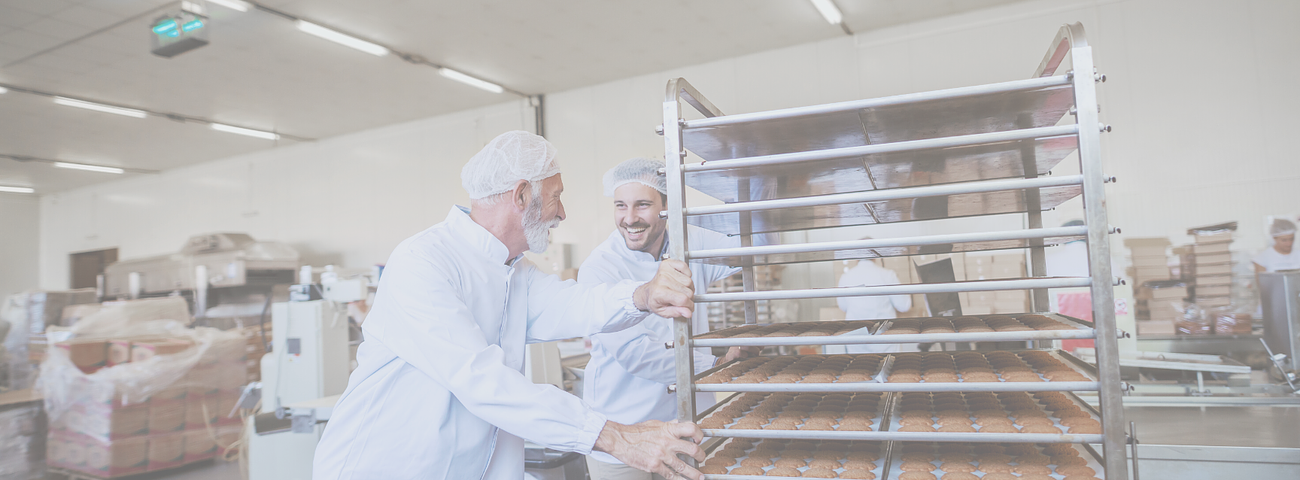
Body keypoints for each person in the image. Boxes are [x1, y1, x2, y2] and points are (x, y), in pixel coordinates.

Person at [313, 132, 706, 480]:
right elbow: (482, 380)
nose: (562, 213)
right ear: (521, 195)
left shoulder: (514, 271)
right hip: (387, 468)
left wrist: (643, 295)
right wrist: (616, 437)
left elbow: (573, 304)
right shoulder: (425, 261)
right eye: (557, 198)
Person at [578, 158, 757, 480]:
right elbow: (635, 352)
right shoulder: (600, 267)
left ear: (666, 206)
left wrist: (742, 183)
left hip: (688, 425)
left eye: (642, 205)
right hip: (623, 431)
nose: (629, 218)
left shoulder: (689, 243)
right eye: (621, 205)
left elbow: (750, 248)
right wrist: (716, 367)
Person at [833, 252, 911, 354]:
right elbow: (904, 306)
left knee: (859, 368)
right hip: (883, 338)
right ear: (876, 256)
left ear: (856, 257)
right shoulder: (887, 274)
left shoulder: (846, 277)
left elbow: (843, 307)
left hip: (856, 338)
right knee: (886, 367)